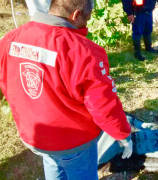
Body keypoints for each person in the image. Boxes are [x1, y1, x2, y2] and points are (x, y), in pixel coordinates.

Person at [0, 0, 133, 179]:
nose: (87, 23)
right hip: (72, 141)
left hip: (35, 136)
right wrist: (123, 134)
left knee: (53, 164)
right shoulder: (84, 52)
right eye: (87, 17)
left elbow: (6, 83)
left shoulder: (10, 39)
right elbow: (104, 106)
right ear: (76, 15)